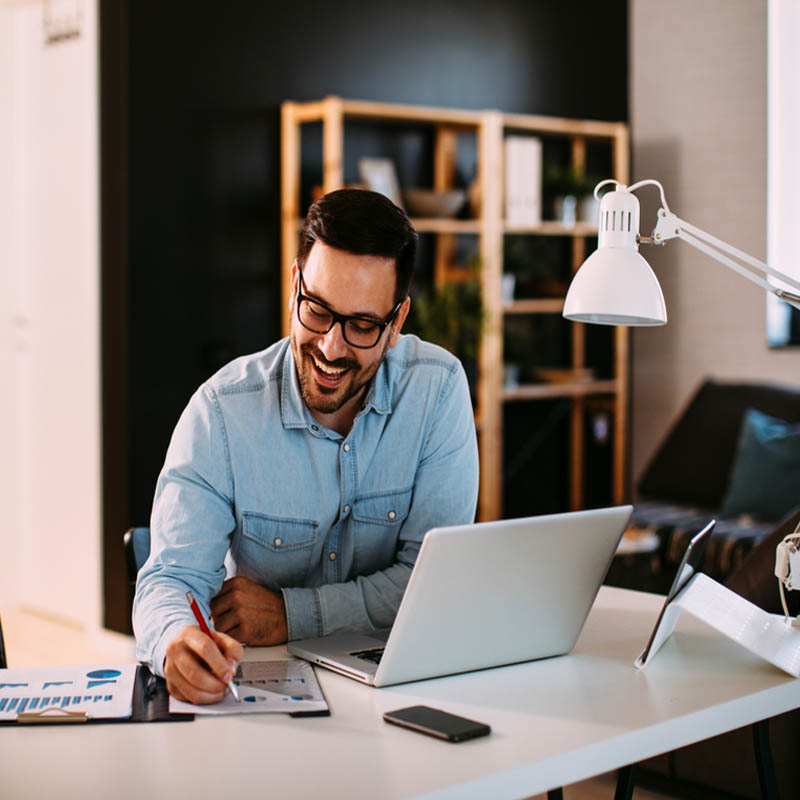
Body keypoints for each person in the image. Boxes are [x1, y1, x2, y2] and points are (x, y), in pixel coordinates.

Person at [133, 188, 479, 704]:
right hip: (260, 699)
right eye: (317, 310)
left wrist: (291, 614)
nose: (331, 347)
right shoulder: (221, 412)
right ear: (295, 285)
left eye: (362, 325)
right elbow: (170, 579)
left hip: (397, 690)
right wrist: (175, 642)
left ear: (396, 323)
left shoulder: (437, 390)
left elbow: (429, 584)